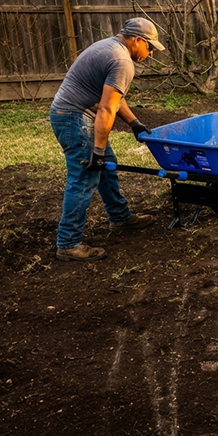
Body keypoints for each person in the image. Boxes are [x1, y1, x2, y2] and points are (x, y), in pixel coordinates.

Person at [49, 18, 164, 262]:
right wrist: (97, 151)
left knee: (107, 167)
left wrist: (134, 122)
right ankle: (68, 242)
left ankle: (120, 217)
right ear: (138, 41)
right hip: (74, 118)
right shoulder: (122, 61)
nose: (151, 53)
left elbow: (112, 97)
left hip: (71, 114)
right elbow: (106, 109)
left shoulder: (109, 47)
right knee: (85, 176)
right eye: (150, 47)